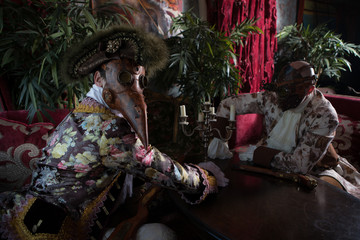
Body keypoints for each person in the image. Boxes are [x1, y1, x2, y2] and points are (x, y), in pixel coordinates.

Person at [0, 25, 227, 240]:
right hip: (50, 229)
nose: (136, 88)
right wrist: (205, 179)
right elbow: (158, 167)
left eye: (140, 80)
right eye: (125, 77)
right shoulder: (108, 128)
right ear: (98, 78)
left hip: (28, 210)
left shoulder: (81, 113)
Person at [212, 60, 360, 198]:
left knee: (317, 197)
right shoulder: (272, 96)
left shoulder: (324, 114)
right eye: (279, 90)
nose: (279, 99)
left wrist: (257, 154)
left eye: (288, 91)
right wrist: (218, 139)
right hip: (272, 161)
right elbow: (229, 104)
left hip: (316, 169)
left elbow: (299, 165)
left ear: (309, 90)